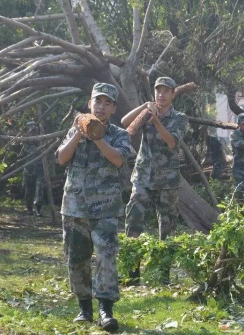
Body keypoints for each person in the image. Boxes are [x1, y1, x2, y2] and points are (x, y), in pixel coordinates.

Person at [56, 83, 132, 332]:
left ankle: (105, 310)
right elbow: (61, 158)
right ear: (89, 103)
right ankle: (84, 308)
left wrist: (98, 137)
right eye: (97, 101)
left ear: (113, 108)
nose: (101, 106)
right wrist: (81, 132)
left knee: (106, 258)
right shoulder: (74, 129)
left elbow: (119, 159)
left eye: (106, 103)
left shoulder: (119, 134)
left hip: (106, 209)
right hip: (75, 207)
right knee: (76, 259)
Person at [122, 76, 188, 285]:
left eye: (166, 91)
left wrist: (157, 121)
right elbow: (125, 123)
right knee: (133, 221)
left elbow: (172, 142)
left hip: (167, 180)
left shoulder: (180, 117)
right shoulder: (147, 112)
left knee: (167, 229)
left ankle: (163, 277)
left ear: (172, 94)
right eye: (158, 90)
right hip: (143, 177)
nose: (161, 94)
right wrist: (144, 107)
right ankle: (132, 276)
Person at [22, 121, 45, 216]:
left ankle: (38, 209)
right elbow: (23, 151)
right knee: (29, 189)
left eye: (35, 128)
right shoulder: (26, 140)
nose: (33, 130)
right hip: (29, 167)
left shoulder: (41, 139)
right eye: (31, 128)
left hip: (39, 167)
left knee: (39, 188)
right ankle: (29, 208)